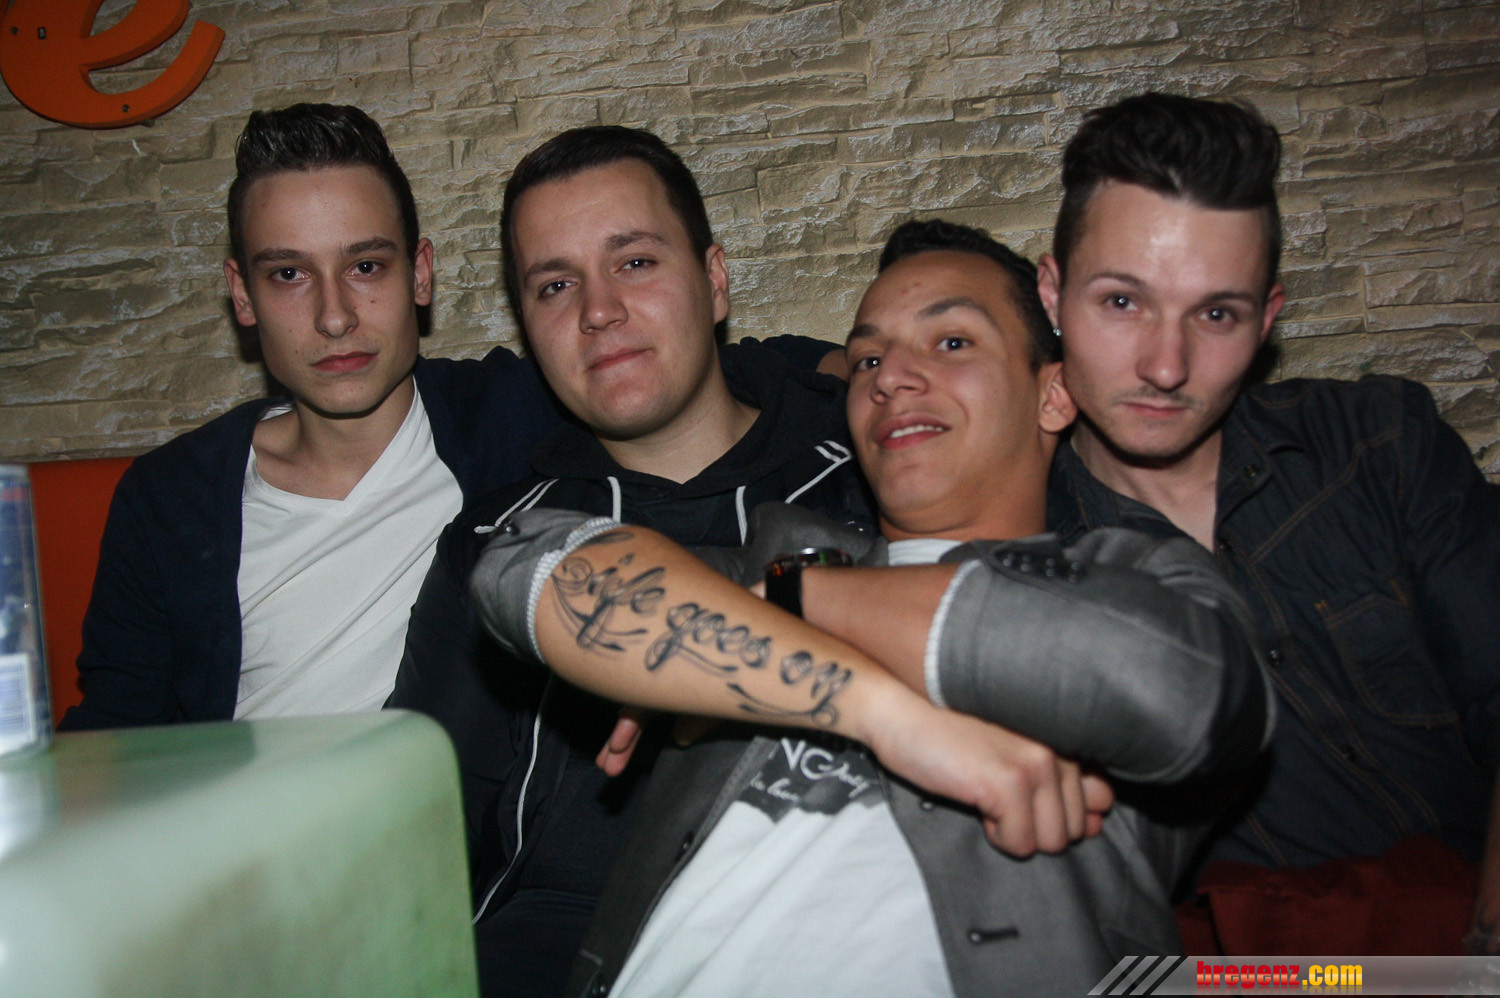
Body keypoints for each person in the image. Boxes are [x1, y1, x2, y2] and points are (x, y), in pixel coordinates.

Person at [469, 219, 1274, 996]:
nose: (888, 377)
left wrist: (798, 602)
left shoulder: (1133, 577)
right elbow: (522, 566)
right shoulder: (764, 556)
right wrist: (891, 719)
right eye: (866, 360)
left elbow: (1183, 688)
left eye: (951, 342)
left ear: (1055, 393)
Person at [387, 126, 871, 997]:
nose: (598, 310)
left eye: (636, 262)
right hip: (552, 954)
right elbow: (421, 822)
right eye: (555, 285)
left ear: (714, 281)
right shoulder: (497, 537)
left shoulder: (867, 475)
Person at [1035, 92, 1500, 949]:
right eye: (1123, 303)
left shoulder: (1379, 446)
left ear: (1268, 318)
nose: (1166, 366)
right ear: (1053, 293)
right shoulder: (1037, 570)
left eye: (1216, 314)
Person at [59, 103, 563, 729]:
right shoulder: (168, 498)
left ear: (420, 274)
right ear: (243, 294)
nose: (334, 316)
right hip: (242, 792)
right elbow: (116, 735)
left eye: (366, 266)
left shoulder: (516, 417)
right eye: (290, 274)